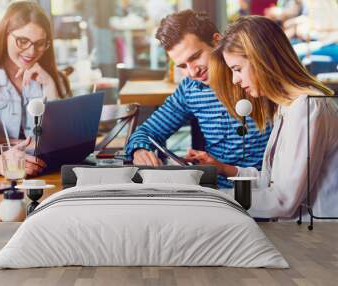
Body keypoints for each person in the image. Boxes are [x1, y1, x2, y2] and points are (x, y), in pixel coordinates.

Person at [209, 15, 338, 218]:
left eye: (237, 69)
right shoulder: (287, 107)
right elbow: (273, 182)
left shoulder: (308, 107)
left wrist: (215, 197)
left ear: (262, 60)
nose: (235, 80)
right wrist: (224, 169)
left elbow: (282, 200)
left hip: (319, 241)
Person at [125, 10, 272, 188]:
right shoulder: (190, 89)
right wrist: (140, 149)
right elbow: (146, 132)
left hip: (267, 190)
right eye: (182, 66)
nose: (192, 71)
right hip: (217, 192)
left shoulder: (256, 79)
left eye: (195, 57)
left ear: (217, 41)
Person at [0, 1, 71, 176]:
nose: (31, 51)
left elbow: (65, 142)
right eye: (23, 41)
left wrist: (50, 86)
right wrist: (32, 145)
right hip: (1, 179)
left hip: (48, 176)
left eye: (40, 43)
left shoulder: (55, 80)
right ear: (4, 35)